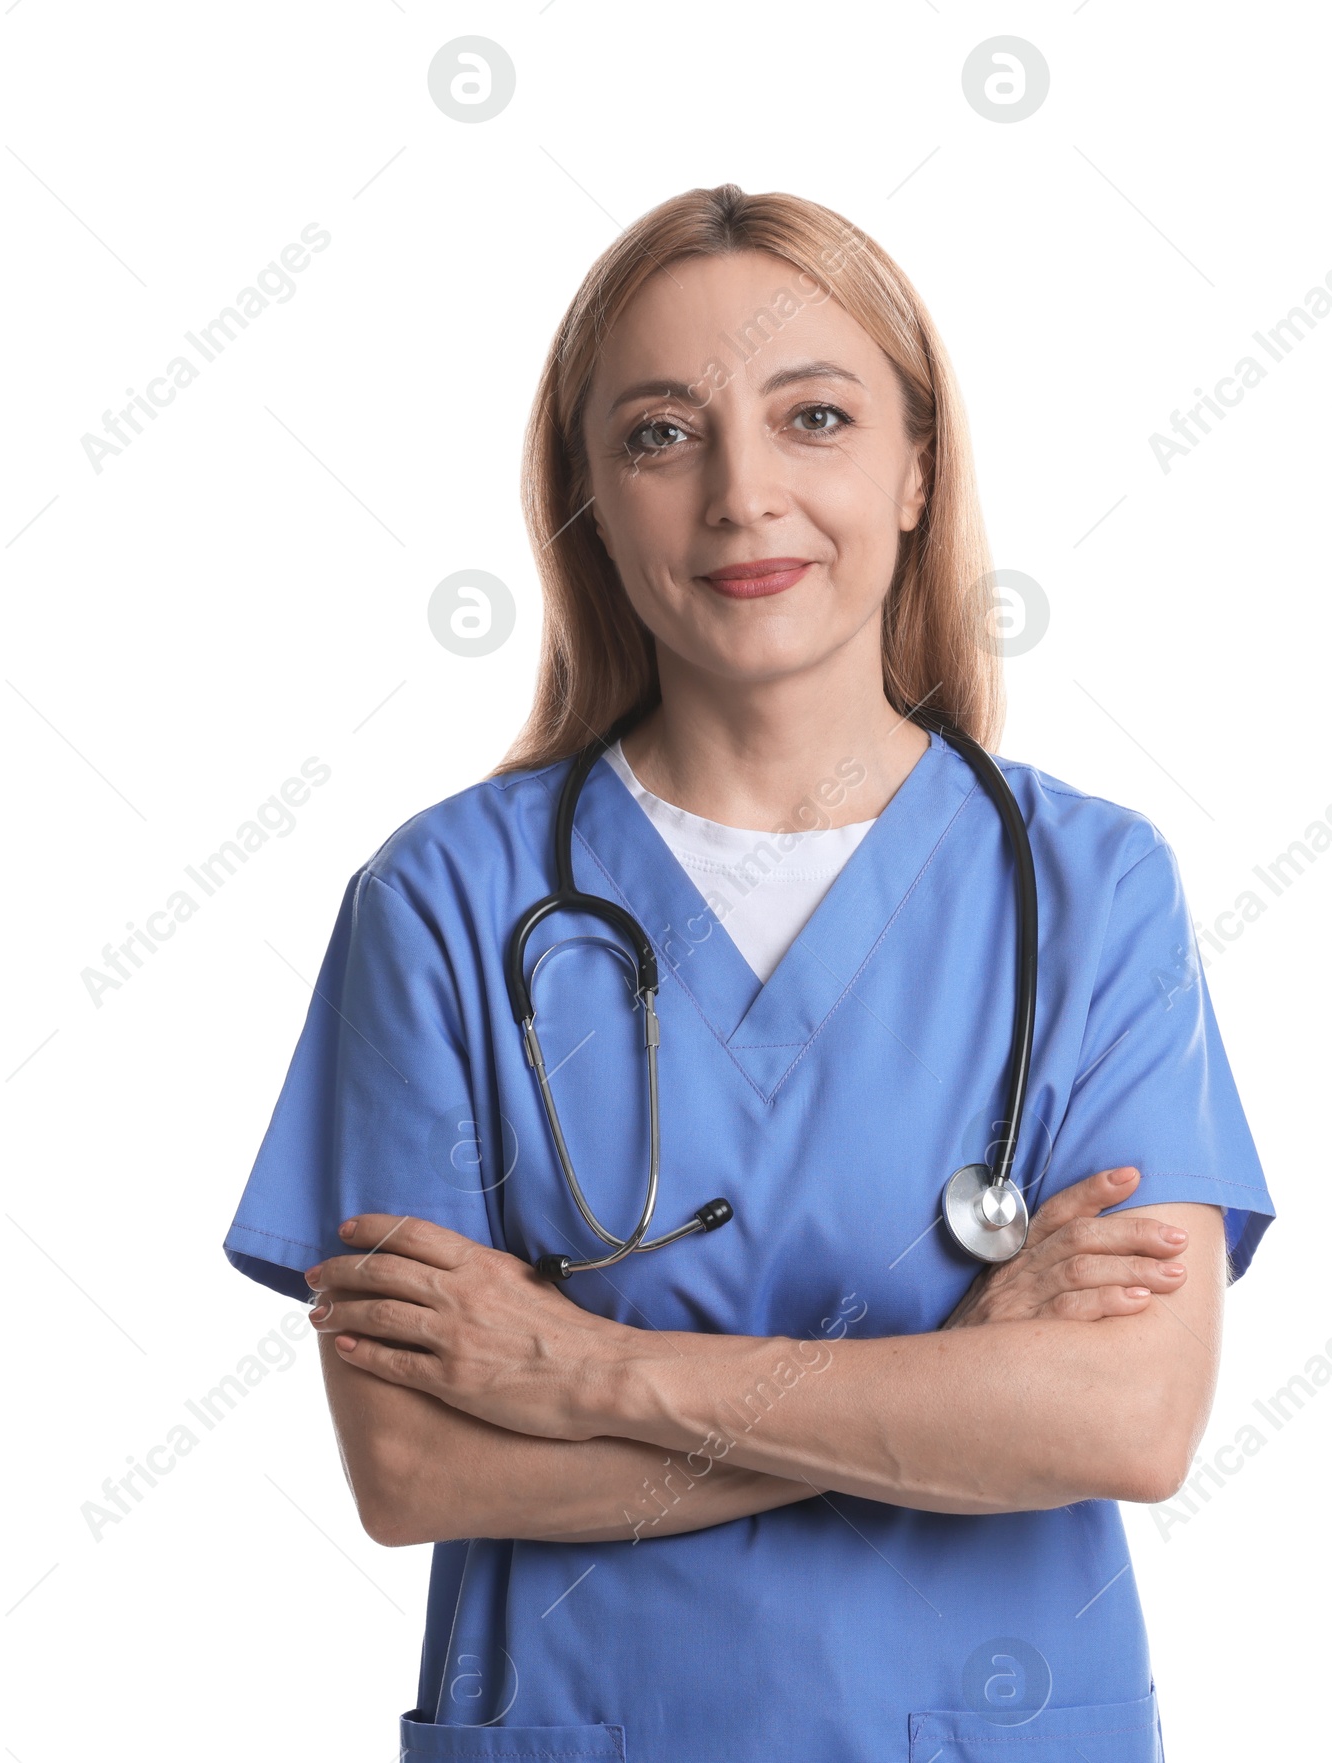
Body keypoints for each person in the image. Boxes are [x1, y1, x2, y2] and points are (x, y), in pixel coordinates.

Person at [224, 183, 1274, 1762]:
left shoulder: (1090, 889)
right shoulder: (443, 900)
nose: (742, 496)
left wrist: (592, 1371)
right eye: (661, 433)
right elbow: (418, 1472)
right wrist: (953, 1390)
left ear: (917, 468)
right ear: (586, 493)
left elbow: (1123, 1421)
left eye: (817, 418)